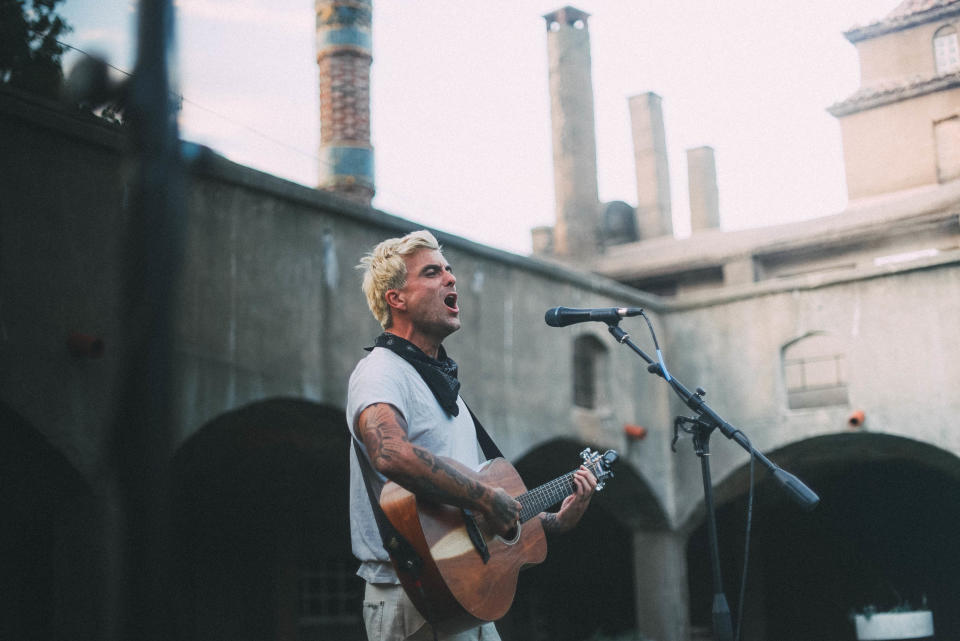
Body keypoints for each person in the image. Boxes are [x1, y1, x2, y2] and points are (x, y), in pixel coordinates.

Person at [346, 230, 597, 641]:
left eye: (449, 270)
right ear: (397, 299)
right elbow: (389, 452)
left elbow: (481, 521)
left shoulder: (449, 394)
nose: (450, 279)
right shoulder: (382, 370)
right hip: (411, 597)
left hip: (471, 596)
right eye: (432, 273)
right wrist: (484, 496)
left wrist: (554, 520)